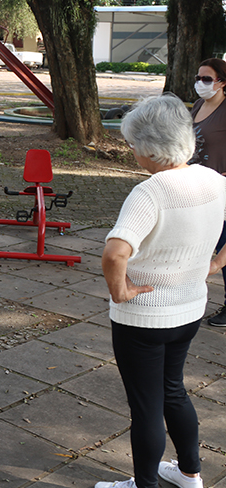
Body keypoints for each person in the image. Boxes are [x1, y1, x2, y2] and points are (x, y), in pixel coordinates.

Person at [98, 94, 225, 488]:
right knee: (173, 391)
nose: (131, 151)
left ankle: (145, 485)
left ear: (149, 147)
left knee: (147, 408)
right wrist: (216, 263)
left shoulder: (150, 192)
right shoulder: (212, 178)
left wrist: (120, 291)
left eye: (132, 144)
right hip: (189, 309)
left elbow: (115, 253)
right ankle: (189, 474)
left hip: (144, 318)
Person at [188, 58, 226, 327]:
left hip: (220, 190)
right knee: (196, 246)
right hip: (195, 187)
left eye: (207, 79)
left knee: (223, 249)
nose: (200, 83)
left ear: (222, 82)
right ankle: (190, 297)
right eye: (198, 78)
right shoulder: (199, 105)